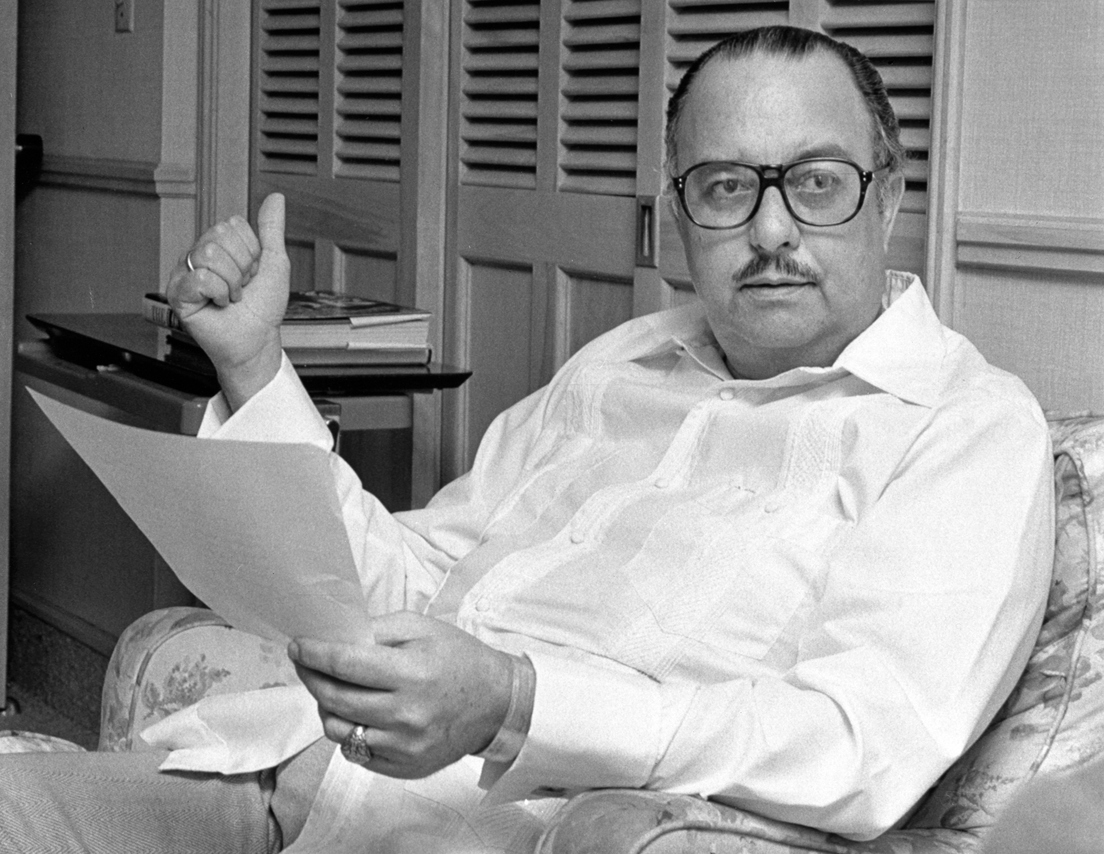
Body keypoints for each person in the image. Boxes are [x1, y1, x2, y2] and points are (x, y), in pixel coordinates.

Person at [0, 24, 1054, 854]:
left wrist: (516, 701)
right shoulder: (621, 364)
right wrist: (253, 365)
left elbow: (858, 742)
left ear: (888, 194)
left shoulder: (961, 428)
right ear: (678, 218)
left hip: (503, 832)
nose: (771, 230)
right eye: (727, 187)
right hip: (289, 776)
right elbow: (409, 581)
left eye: (816, 181)